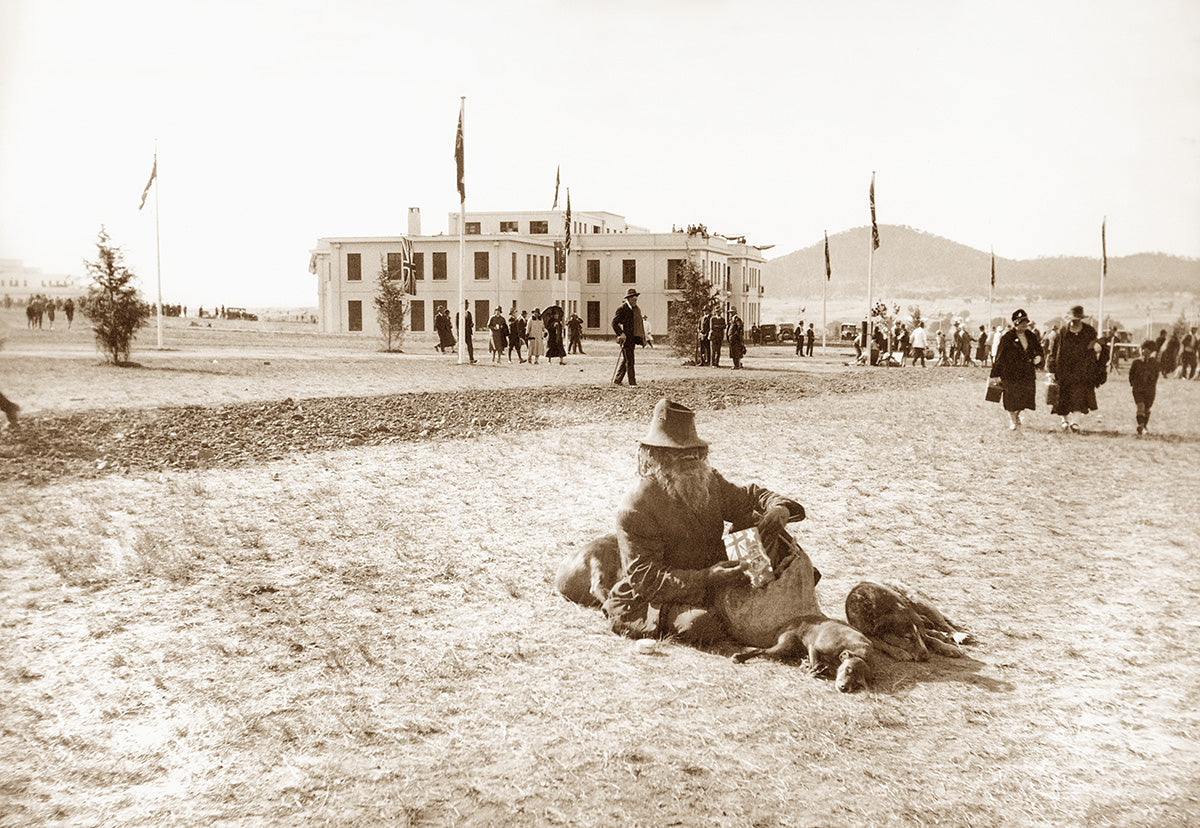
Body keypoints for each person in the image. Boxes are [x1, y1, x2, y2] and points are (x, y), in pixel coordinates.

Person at [599, 399, 806, 644]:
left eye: (694, 452)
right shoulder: (635, 507)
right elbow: (647, 580)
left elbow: (749, 496)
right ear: (657, 457)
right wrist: (707, 577)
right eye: (679, 452)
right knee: (701, 625)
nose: (691, 459)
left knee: (766, 532)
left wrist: (778, 507)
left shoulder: (708, 481)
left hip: (717, 575)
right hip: (661, 595)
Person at [1047, 305, 1104, 432]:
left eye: (1077, 318)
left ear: (1081, 319)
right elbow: (1054, 350)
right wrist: (1051, 369)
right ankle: (1064, 420)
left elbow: (1095, 346)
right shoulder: (1063, 331)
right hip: (1064, 369)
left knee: (1079, 395)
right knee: (1062, 396)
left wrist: (1097, 345)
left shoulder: (1089, 331)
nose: (1074, 321)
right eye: (1073, 318)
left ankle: (1075, 423)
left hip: (1082, 369)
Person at [989, 309, 1044, 431]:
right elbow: (999, 356)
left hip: (1027, 373)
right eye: (1021, 322)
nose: (1024, 325)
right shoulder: (1007, 337)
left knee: (1025, 398)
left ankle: (1017, 415)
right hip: (1010, 374)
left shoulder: (1031, 336)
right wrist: (995, 374)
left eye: (1025, 322)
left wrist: (1039, 357)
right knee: (1010, 399)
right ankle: (1013, 421)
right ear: (1015, 323)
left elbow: (1039, 350)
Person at [612, 288, 644, 386]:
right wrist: (621, 333)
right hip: (625, 339)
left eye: (636, 299)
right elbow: (614, 323)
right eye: (633, 300)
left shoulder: (636, 310)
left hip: (633, 338)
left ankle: (617, 380)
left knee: (626, 359)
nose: (635, 301)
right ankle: (632, 383)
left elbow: (638, 324)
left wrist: (641, 338)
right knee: (630, 360)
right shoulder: (622, 309)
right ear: (628, 299)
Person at [1129, 339, 1160, 435]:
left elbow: (1156, 376)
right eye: (1142, 349)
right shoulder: (1136, 362)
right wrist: (1133, 384)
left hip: (1150, 390)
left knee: (1147, 409)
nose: (1143, 351)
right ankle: (1141, 426)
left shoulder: (1154, 363)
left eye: (1146, 350)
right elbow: (1131, 375)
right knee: (1140, 407)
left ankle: (1144, 426)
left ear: (1150, 352)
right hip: (1138, 389)